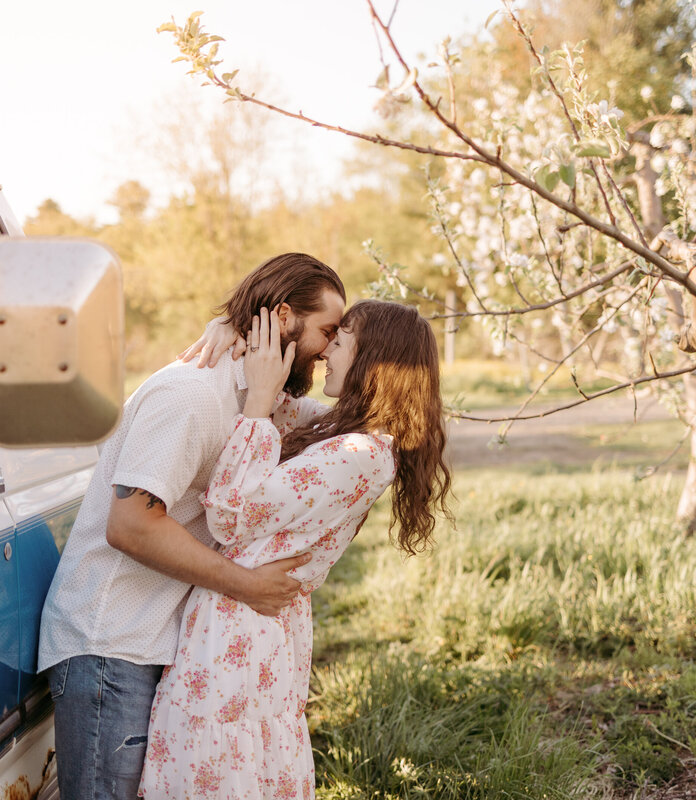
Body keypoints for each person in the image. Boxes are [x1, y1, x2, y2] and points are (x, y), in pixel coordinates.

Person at [37, 253, 347, 800]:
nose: (330, 350)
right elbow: (131, 524)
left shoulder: (266, 402)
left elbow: (352, 428)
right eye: (328, 331)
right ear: (282, 317)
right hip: (113, 644)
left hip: (166, 642)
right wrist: (247, 585)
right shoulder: (190, 395)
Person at [139, 300, 452, 799]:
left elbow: (230, 514)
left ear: (373, 361)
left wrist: (258, 404)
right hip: (249, 620)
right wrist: (231, 328)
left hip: (242, 624)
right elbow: (275, 403)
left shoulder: (360, 454)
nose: (327, 352)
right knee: (229, 763)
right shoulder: (341, 431)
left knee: (220, 767)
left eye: (341, 342)